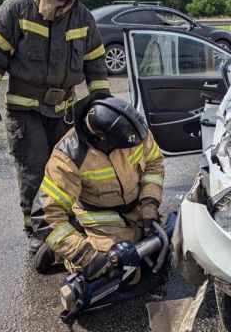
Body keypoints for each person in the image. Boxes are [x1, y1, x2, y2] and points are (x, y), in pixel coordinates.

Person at [0, 0, 110, 253]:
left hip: (63, 111)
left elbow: (96, 63)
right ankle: (37, 234)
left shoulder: (82, 17)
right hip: (26, 111)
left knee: (66, 170)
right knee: (34, 171)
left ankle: (64, 225)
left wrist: (101, 103)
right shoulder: (16, 10)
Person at [30, 95, 164, 281]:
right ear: (102, 140)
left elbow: (154, 165)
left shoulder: (132, 132)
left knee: (162, 251)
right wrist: (85, 256)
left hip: (137, 209)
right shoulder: (68, 157)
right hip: (101, 218)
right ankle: (64, 254)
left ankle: (80, 235)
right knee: (122, 271)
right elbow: (45, 216)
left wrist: (149, 204)